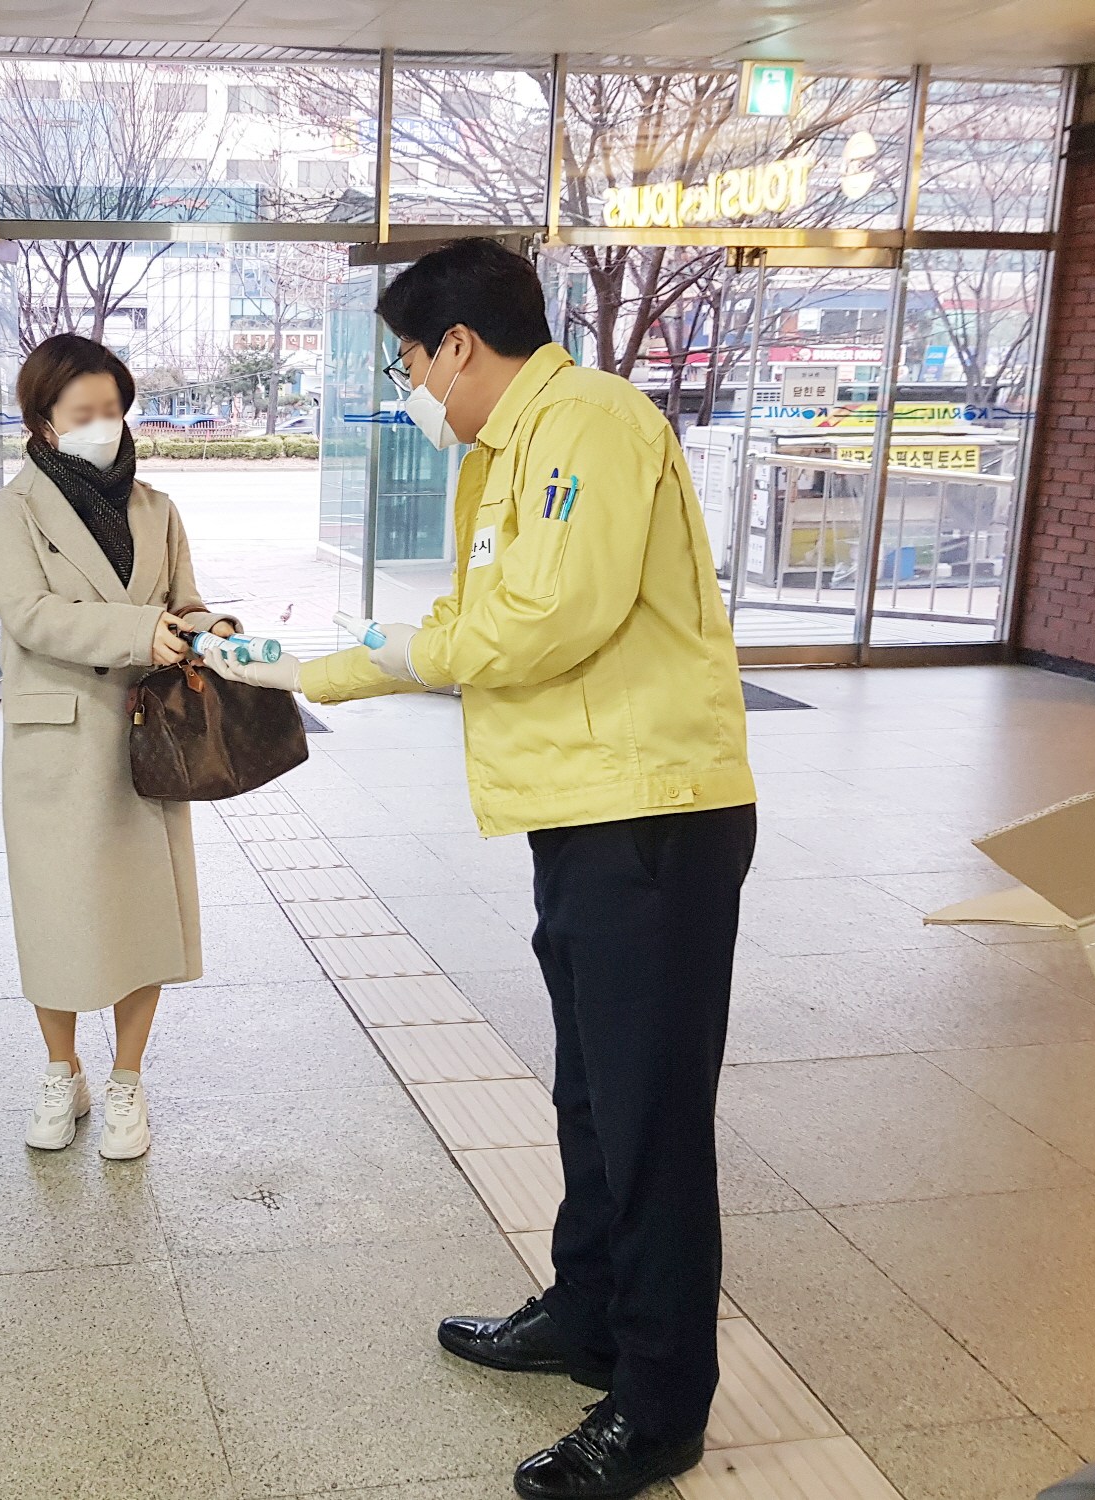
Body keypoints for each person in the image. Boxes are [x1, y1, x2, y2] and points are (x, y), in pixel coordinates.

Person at [202, 239, 756, 1500]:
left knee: (652, 1120)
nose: (411, 386)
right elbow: (490, 619)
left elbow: (535, 621)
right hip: (586, 810)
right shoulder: (518, 446)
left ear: (458, 344)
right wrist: (303, 653)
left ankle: (659, 1406)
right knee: (589, 1095)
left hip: (653, 815)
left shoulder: (589, 423)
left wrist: (324, 658)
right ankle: (588, 1313)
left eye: (409, 359)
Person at [0, 334, 238, 1160]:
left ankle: (127, 1082)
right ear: (44, 422)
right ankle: (63, 1074)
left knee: (140, 917)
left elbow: (184, 602)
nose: (104, 426)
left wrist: (209, 627)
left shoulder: (157, 508)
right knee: (56, 917)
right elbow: (33, 615)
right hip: (58, 741)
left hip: (145, 740)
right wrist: (142, 631)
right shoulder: (9, 512)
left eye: (114, 410)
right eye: (83, 412)